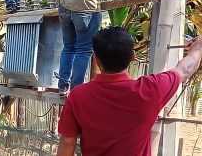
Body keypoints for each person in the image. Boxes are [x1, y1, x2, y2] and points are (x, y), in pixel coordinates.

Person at [56, 27, 202, 156]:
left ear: (96, 59)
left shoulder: (78, 96)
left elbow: (67, 142)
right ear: (132, 57)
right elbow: (185, 69)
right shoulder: (150, 89)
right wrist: (199, 46)